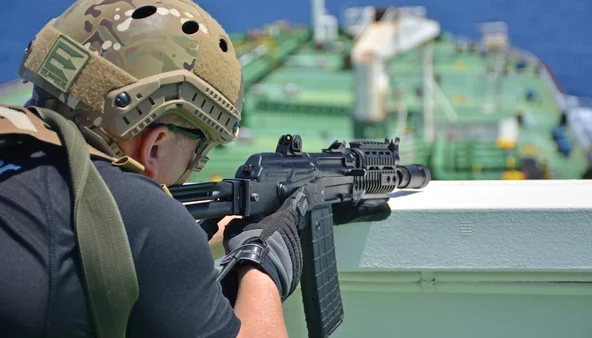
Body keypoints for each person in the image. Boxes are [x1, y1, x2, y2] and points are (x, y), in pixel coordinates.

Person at [0, 1, 390, 337]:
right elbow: (146, 232)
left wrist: (228, 222)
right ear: (155, 145)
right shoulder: (142, 214)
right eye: (197, 152)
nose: (194, 168)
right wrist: (263, 255)